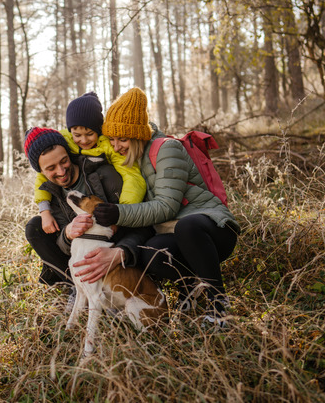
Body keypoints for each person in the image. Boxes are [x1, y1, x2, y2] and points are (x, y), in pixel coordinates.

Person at [82, 87, 240, 326]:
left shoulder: (167, 149)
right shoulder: (132, 162)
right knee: (151, 253)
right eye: (112, 139)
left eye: (122, 139)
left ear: (138, 136)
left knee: (188, 226)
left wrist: (119, 213)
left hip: (212, 230)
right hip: (178, 234)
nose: (116, 146)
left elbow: (166, 207)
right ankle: (190, 290)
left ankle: (219, 306)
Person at [23, 126, 153, 292]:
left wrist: (122, 252)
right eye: (51, 168)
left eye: (64, 161)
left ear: (69, 154)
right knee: (34, 226)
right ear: (40, 172)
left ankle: (113, 289)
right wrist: (68, 233)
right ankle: (76, 289)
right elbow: (62, 247)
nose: (61, 171)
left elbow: (144, 225)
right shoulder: (52, 195)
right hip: (82, 258)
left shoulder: (105, 175)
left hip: (119, 256)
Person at [33, 92, 146, 234]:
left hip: (104, 195)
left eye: (90, 134)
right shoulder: (63, 141)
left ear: (99, 130)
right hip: (75, 200)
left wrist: (121, 213)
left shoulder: (108, 146)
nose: (84, 140)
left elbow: (132, 176)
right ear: (70, 131)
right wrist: (44, 210)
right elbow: (42, 175)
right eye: (78, 135)